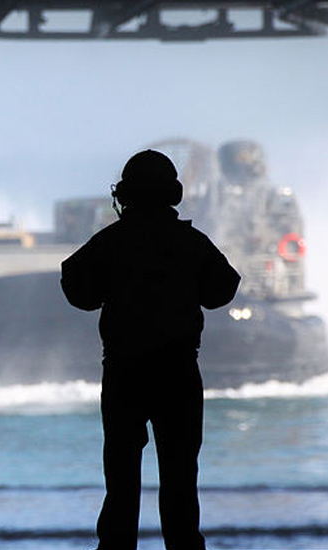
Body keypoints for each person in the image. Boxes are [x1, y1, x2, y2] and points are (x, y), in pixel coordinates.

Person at [60, 150, 240, 550]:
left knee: (121, 480)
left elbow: (77, 289)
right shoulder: (191, 242)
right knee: (180, 479)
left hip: (124, 373)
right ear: (172, 193)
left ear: (125, 195)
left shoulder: (110, 242)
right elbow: (223, 288)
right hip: (178, 373)